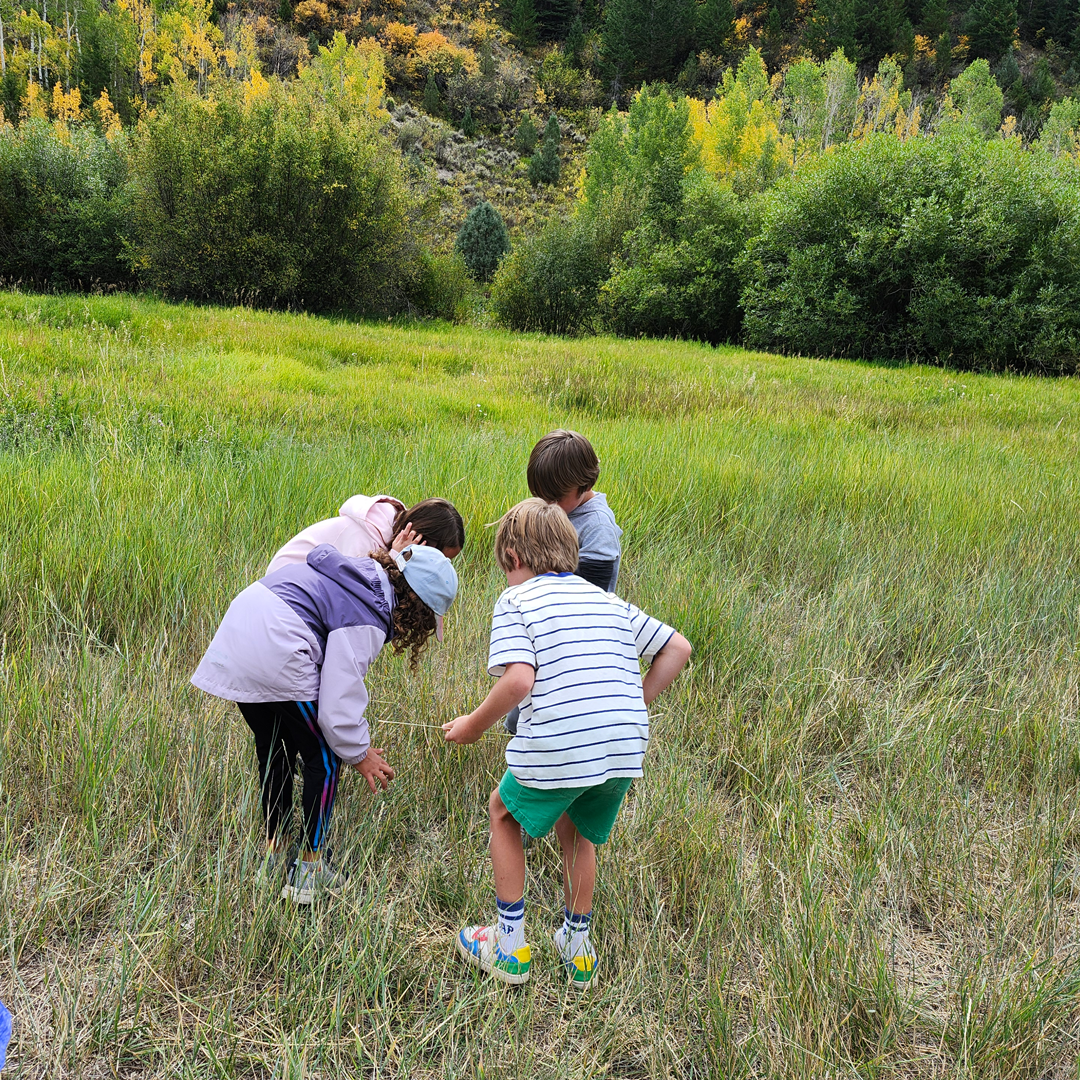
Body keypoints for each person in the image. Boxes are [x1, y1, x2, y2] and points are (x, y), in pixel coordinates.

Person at [443, 499, 691, 989]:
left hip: (562, 743)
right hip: (623, 746)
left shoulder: (517, 600)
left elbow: (519, 680)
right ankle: (577, 950)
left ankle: (509, 949)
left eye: (505, 568)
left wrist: (472, 725)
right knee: (577, 833)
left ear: (513, 557)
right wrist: (634, 701)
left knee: (503, 813)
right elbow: (677, 648)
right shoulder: (608, 601)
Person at [192, 543, 457, 904]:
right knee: (327, 759)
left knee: (275, 748)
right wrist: (359, 753)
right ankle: (309, 871)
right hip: (278, 645)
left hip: (238, 635)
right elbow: (337, 707)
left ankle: (273, 858)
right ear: (417, 606)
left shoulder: (357, 575)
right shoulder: (369, 613)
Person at [505, 430, 623, 737]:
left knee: (555, 707)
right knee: (523, 708)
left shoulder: (597, 527)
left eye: (556, 498)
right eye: (542, 497)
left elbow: (591, 592)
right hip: (548, 627)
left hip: (576, 635)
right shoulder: (563, 509)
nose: (549, 504)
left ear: (585, 484)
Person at [266, 495, 465, 574]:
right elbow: (361, 593)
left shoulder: (389, 534)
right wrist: (395, 557)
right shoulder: (364, 538)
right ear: (418, 539)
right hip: (285, 589)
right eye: (439, 557)